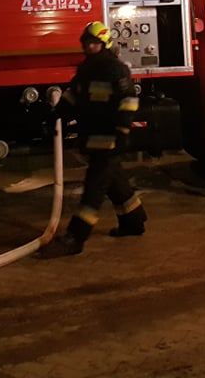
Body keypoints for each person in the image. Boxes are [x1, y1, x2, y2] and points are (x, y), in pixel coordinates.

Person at [37, 21, 146, 258]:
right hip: (92, 137)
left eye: (94, 43)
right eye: (87, 43)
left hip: (110, 139)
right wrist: (56, 116)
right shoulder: (86, 70)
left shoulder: (116, 70)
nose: (89, 47)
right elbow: (73, 96)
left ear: (104, 43)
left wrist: (122, 131)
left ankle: (75, 238)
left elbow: (128, 100)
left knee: (93, 191)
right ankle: (134, 221)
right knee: (114, 180)